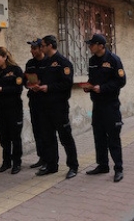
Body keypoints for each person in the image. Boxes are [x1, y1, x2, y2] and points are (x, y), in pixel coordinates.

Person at [30, 35, 79, 178]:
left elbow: (66, 84)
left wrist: (48, 88)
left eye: (43, 45)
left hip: (59, 106)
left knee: (65, 137)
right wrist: (37, 86)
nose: (41, 48)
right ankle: (52, 166)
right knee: (48, 137)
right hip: (44, 107)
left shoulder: (63, 63)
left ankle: (73, 166)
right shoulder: (45, 62)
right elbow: (42, 80)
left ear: (50, 46)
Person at [82, 34, 127, 183]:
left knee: (113, 137)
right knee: (99, 136)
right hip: (97, 105)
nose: (89, 47)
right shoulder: (92, 61)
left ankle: (118, 169)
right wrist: (89, 87)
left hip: (111, 105)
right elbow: (93, 80)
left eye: (92, 44)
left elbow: (121, 81)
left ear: (101, 45)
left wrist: (102, 88)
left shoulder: (114, 60)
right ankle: (102, 165)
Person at [25, 38, 46, 169]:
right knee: (37, 130)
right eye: (31, 48)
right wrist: (28, 84)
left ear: (41, 48)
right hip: (34, 100)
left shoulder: (48, 62)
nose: (31, 50)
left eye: (34, 48)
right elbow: (24, 79)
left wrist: (41, 84)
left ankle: (49, 158)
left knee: (46, 131)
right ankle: (41, 157)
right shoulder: (30, 63)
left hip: (45, 101)